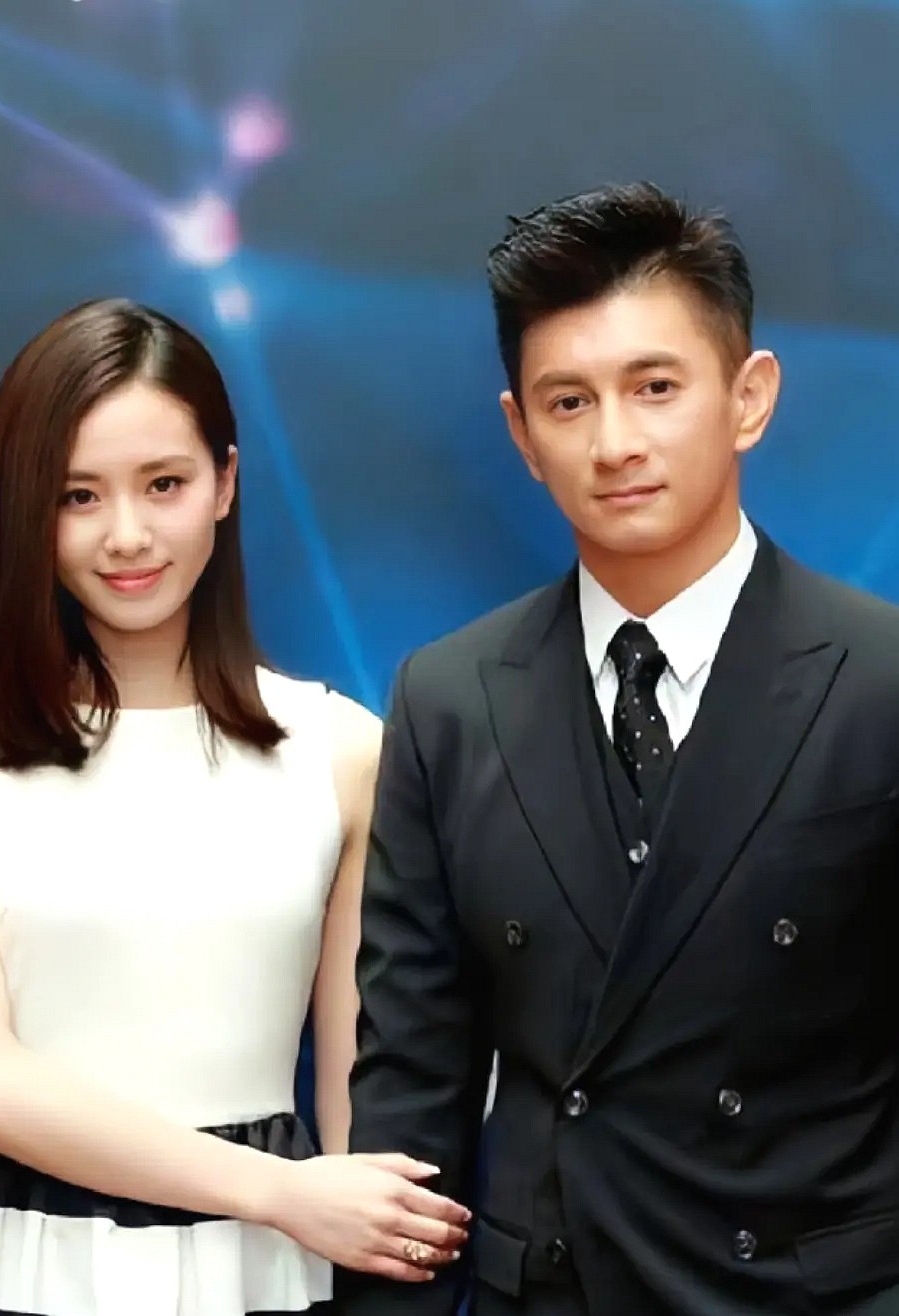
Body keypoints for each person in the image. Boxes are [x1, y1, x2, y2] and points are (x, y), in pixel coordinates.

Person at [339, 183, 899, 1316]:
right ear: (521, 434)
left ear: (749, 397)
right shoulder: (449, 700)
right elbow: (412, 1091)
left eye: (655, 387)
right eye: (569, 401)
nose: (615, 443)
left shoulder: (880, 679)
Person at [0, 299, 469, 1316]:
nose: (127, 535)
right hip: (9, 1262)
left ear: (225, 481)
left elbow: (365, 1100)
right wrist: (279, 1190)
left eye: (163, 484)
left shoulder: (340, 751)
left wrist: (355, 1225)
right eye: (78, 495)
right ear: (28, 508)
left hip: (265, 1273)